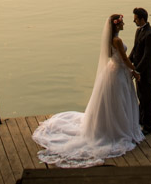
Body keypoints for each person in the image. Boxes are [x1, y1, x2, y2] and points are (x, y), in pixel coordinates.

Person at [32, 13, 144, 167]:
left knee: (114, 102)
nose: (125, 24)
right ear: (117, 25)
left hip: (113, 70)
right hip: (118, 72)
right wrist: (135, 70)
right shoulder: (117, 40)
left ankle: (109, 126)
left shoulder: (111, 40)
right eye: (122, 22)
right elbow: (124, 59)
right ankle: (116, 129)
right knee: (119, 101)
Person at [129, 7, 151, 135]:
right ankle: (141, 119)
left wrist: (138, 71)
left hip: (145, 73)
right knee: (141, 96)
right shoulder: (139, 31)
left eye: (136, 19)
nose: (134, 21)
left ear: (142, 19)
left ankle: (148, 125)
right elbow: (135, 49)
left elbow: (147, 56)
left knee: (147, 99)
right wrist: (128, 62)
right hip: (138, 70)